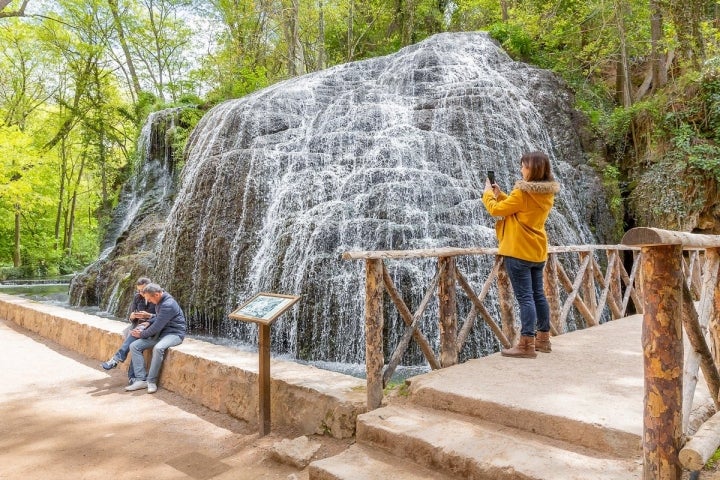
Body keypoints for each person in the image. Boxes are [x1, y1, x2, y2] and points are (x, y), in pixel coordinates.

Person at [482, 151, 560, 358]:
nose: (521, 169)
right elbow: (520, 209)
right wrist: (503, 195)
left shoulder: (523, 193)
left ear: (532, 169)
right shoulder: (546, 193)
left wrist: (488, 194)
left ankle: (526, 344)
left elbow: (497, 210)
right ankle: (543, 339)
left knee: (525, 298)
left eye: (524, 166)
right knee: (538, 296)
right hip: (537, 251)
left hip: (518, 250)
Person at [125, 283, 186, 393]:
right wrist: (148, 319)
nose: (149, 301)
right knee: (134, 346)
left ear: (157, 295)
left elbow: (157, 326)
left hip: (174, 334)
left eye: (149, 299)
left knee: (158, 348)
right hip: (162, 333)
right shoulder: (161, 300)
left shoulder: (168, 304)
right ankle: (140, 379)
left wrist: (141, 334)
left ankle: (151, 381)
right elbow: (159, 318)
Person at [101, 277, 155, 379]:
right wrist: (132, 317)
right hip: (138, 326)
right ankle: (132, 377)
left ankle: (117, 360)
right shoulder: (137, 297)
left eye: (142, 290)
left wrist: (148, 316)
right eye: (138, 290)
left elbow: (160, 317)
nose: (140, 293)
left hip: (151, 326)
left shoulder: (156, 296)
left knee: (135, 339)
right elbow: (131, 314)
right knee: (135, 339)